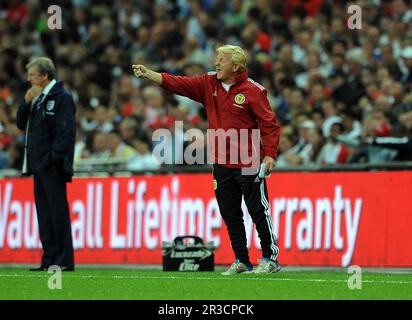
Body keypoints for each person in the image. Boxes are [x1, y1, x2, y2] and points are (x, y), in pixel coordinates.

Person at [132, 45, 281, 275]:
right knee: (230, 213)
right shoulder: (208, 83)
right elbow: (178, 84)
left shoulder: (254, 91)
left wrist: (270, 154)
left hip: (249, 161)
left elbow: (269, 124)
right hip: (221, 162)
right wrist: (149, 73)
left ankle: (270, 258)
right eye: (217, 59)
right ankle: (241, 259)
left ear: (236, 65)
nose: (216, 63)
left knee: (257, 210)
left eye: (221, 60)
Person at [16, 57, 76, 272]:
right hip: (37, 165)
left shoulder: (62, 97)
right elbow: (21, 125)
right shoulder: (37, 97)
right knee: (44, 213)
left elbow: (65, 131)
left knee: (57, 212)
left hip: (52, 165)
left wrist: (53, 158)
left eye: (32, 75)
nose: (29, 79)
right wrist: (25, 102)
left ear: (44, 76)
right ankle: (49, 258)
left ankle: (64, 260)